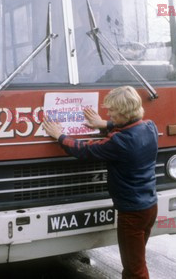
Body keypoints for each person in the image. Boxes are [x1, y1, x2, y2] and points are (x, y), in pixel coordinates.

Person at [43, 86, 158, 279]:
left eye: (112, 111)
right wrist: (104, 123)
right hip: (149, 206)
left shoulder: (119, 142)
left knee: (134, 269)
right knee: (135, 260)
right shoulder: (150, 127)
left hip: (131, 212)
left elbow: (84, 150)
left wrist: (60, 136)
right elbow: (129, 129)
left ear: (123, 113)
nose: (109, 114)